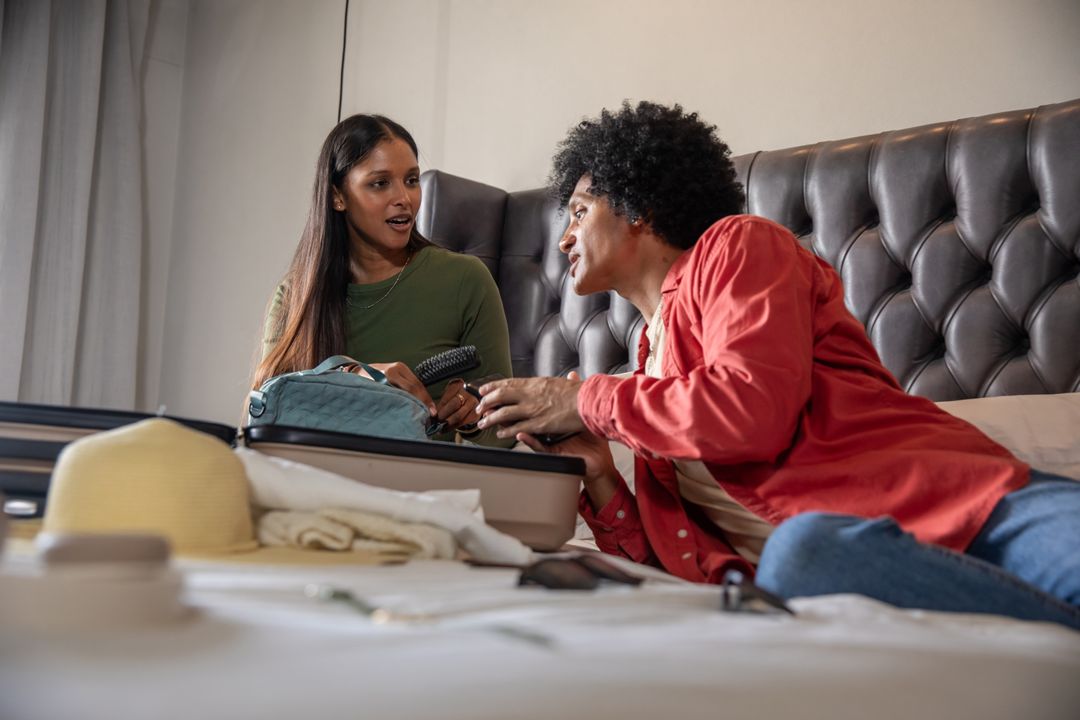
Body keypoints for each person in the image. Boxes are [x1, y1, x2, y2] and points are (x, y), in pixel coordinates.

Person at [475, 101, 1080, 630]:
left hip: (981, 508)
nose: (564, 239)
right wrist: (599, 474)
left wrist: (585, 399)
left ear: (636, 206)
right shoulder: (648, 372)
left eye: (580, 212)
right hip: (848, 563)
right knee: (804, 555)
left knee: (805, 551)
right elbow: (682, 563)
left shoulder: (737, 246)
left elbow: (747, 413)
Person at [254, 114, 513, 447]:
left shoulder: (465, 280)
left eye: (411, 180)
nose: (403, 198)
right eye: (380, 183)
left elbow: (504, 437)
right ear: (338, 196)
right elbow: (261, 418)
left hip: (420, 491)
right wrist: (348, 376)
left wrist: (474, 415)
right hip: (313, 488)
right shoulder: (296, 296)